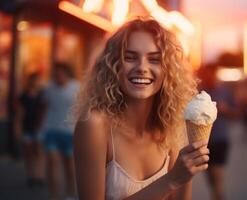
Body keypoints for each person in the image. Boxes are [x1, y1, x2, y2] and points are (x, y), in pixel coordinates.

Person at [73, 18, 210, 200]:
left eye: (154, 60)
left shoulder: (172, 128)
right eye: (130, 58)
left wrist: (186, 175)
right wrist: (171, 180)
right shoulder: (94, 126)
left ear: (168, 70)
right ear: (113, 65)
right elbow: (172, 181)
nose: (142, 68)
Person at [197, 64, 241, 200]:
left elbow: (237, 113)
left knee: (216, 174)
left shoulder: (225, 90)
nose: (208, 77)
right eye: (205, 74)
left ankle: (219, 195)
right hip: (203, 140)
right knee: (210, 175)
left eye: (211, 74)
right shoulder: (199, 91)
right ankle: (216, 194)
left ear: (215, 74)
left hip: (220, 138)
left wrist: (225, 109)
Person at [43, 62, 80, 200]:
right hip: (52, 130)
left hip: (70, 133)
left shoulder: (76, 87)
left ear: (66, 73)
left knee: (69, 167)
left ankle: (70, 194)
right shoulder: (49, 88)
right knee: (52, 163)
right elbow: (44, 107)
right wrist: (41, 128)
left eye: (60, 72)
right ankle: (54, 196)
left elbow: (82, 109)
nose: (57, 75)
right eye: (55, 73)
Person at [17, 72, 46, 187]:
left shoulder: (42, 95)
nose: (35, 82)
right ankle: (31, 176)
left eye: (37, 80)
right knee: (28, 153)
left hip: (39, 127)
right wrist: (17, 128)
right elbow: (20, 114)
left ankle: (40, 175)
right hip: (26, 127)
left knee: (39, 152)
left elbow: (45, 112)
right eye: (34, 80)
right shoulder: (23, 96)